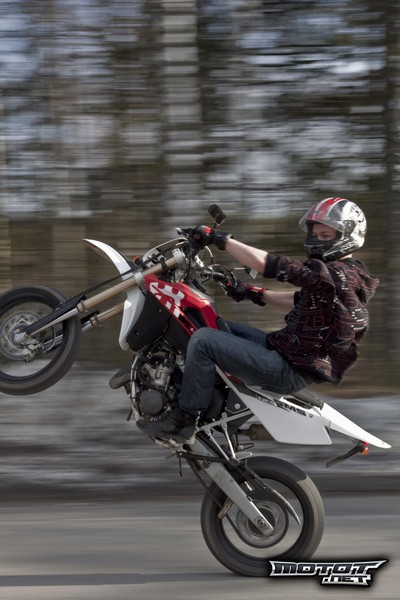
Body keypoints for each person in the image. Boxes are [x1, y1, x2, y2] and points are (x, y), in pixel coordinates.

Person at [137, 197, 379, 444]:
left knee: (203, 340)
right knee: (216, 327)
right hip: (286, 351)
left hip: (287, 368)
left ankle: (184, 420)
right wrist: (251, 292)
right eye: (315, 234)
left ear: (347, 235)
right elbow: (298, 300)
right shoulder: (347, 274)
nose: (317, 240)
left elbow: (269, 264)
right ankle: (205, 395)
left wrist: (220, 239)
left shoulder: (337, 274)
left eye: (325, 235)